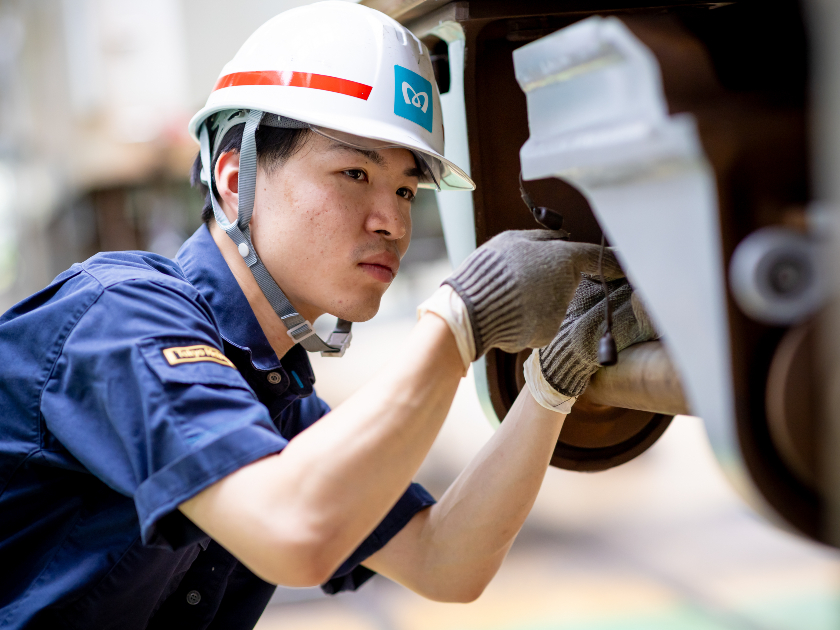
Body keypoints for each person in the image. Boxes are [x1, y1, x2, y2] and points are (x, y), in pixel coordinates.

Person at [0, 2, 656, 628]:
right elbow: (293, 531)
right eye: (353, 174)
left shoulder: (269, 392)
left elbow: (445, 561)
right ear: (235, 179)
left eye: (405, 187)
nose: (394, 221)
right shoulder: (123, 316)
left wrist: (552, 383)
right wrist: (460, 322)